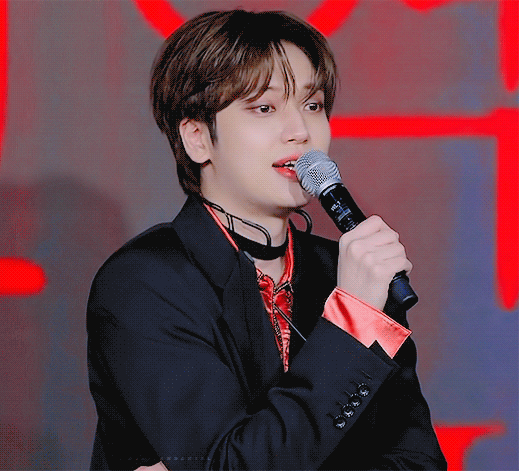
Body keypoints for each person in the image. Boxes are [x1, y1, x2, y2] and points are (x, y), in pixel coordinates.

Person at [87, 9, 446, 470]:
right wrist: (352, 323)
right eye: (265, 108)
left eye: (313, 105)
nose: (301, 132)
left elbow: (419, 463)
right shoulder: (145, 283)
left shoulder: (353, 274)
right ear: (197, 138)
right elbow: (231, 463)